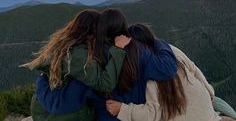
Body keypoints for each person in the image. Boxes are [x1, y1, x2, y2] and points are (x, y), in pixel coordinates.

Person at [31, 9, 178, 121]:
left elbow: (66, 99)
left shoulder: (91, 55)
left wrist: (41, 83)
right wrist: (156, 41)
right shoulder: (138, 52)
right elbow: (169, 68)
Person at [106, 24, 236, 121]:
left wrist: (122, 109)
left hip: (185, 116)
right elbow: (194, 68)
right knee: (219, 104)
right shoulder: (171, 51)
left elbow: (153, 113)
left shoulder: (149, 72)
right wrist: (210, 92)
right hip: (206, 107)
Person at [21, 9, 130, 121]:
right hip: (62, 115)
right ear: (92, 31)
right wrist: (118, 49)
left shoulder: (65, 45)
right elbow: (105, 84)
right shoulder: (77, 55)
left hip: (44, 109)